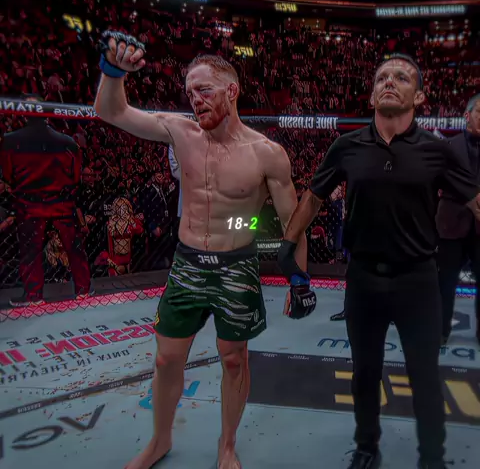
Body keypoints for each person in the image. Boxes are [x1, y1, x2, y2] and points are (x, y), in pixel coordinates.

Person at [93, 31, 315, 469]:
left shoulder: (267, 153)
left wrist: (299, 279)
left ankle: (227, 446)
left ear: (232, 91)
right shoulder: (180, 131)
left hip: (237, 266)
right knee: (166, 359)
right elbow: (111, 111)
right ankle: (159, 441)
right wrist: (113, 72)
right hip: (188, 264)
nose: (195, 99)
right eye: (190, 92)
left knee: (234, 360)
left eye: (205, 90)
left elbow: (293, 222)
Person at [277, 54, 480, 469]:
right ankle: (367, 447)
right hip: (364, 279)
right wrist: (287, 245)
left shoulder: (437, 151)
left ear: (419, 96)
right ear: (371, 95)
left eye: (401, 77)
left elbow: (477, 201)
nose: (389, 81)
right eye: (382, 77)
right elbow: (314, 198)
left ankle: (433, 457)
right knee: (365, 372)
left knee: (424, 375)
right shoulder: (347, 146)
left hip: (418, 280)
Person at [0, 94, 91, 306]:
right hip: (60, 201)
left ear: (23, 114)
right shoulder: (67, 142)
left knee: (31, 252)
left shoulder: (11, 140)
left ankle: (34, 297)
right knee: (74, 248)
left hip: (30, 203)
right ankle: (83, 290)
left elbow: (8, 175)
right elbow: (75, 176)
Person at [436, 94, 480, 345]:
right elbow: (440, 180)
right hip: (451, 223)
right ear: (467, 115)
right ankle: (441, 331)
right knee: (446, 281)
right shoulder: (449, 146)